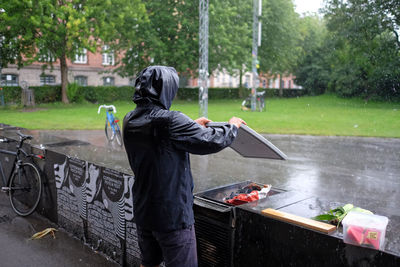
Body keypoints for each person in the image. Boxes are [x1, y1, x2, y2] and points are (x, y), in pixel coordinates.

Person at [123, 66, 245, 267]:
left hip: (144, 211)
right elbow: (211, 141)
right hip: (173, 216)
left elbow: (158, 136)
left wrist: (191, 125)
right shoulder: (170, 121)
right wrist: (232, 126)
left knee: (149, 263)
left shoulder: (130, 119)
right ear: (166, 89)